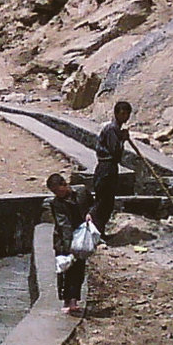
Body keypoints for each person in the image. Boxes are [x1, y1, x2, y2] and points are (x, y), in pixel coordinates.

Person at [47, 172, 97, 313]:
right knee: (64, 269)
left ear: (64, 185)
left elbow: (93, 205)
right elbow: (64, 225)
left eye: (57, 190)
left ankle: (74, 300)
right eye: (54, 192)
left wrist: (90, 214)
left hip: (81, 237)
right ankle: (66, 301)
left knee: (78, 270)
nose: (57, 194)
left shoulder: (81, 192)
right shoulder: (57, 203)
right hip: (63, 240)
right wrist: (69, 248)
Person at [92, 99, 133, 228]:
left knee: (107, 201)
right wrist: (122, 139)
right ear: (116, 114)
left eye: (127, 114)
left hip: (109, 167)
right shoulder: (112, 130)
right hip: (106, 167)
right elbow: (115, 150)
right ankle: (97, 230)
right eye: (122, 114)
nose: (125, 117)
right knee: (103, 201)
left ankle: (100, 230)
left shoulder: (116, 130)